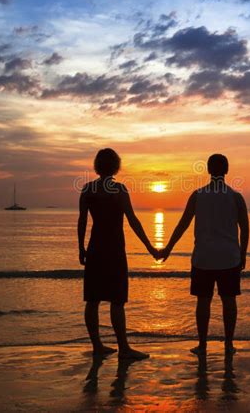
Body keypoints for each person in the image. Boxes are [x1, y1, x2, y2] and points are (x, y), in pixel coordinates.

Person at [159, 154, 249, 355]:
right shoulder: (235, 197)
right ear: (226, 170)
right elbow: (245, 228)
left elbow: (182, 225)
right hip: (229, 257)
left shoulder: (198, 195)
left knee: (203, 301)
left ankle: (202, 344)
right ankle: (228, 344)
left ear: (208, 170)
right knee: (229, 301)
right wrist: (243, 254)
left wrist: (167, 249)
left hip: (203, 258)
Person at [78, 148, 159, 359]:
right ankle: (123, 348)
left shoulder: (88, 190)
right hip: (114, 249)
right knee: (116, 300)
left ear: (97, 166)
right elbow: (132, 220)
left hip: (96, 248)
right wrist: (150, 248)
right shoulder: (119, 190)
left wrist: (81, 248)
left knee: (93, 300)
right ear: (115, 166)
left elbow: (82, 222)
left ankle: (98, 345)